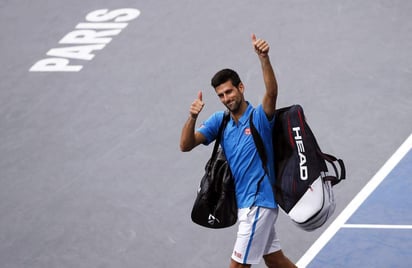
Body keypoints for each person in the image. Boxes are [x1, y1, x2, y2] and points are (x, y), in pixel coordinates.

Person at [180, 34, 296, 268]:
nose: (226, 98)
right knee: (275, 261)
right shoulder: (220, 122)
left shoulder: (259, 119)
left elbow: (271, 93)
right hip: (245, 204)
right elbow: (185, 145)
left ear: (241, 88)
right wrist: (192, 117)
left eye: (229, 92)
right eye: (221, 95)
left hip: (258, 203)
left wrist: (264, 58)